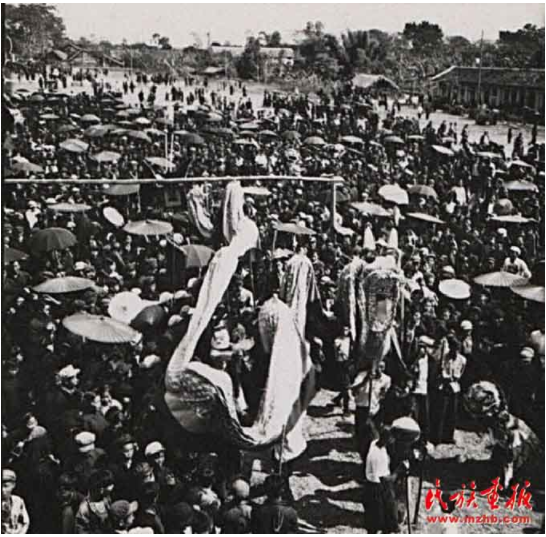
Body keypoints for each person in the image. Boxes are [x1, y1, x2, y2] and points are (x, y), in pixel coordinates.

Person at [362, 427, 407, 534]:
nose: (393, 440)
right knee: (383, 517)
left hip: (374, 485)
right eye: (392, 438)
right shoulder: (378, 458)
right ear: (386, 439)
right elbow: (387, 479)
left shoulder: (375, 444)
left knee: (378, 518)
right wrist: (400, 469)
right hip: (377, 489)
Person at [1, 469, 30, 534]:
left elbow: (26, 522)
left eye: (6, 486)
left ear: (13, 485)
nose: (2, 490)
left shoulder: (18, 501)